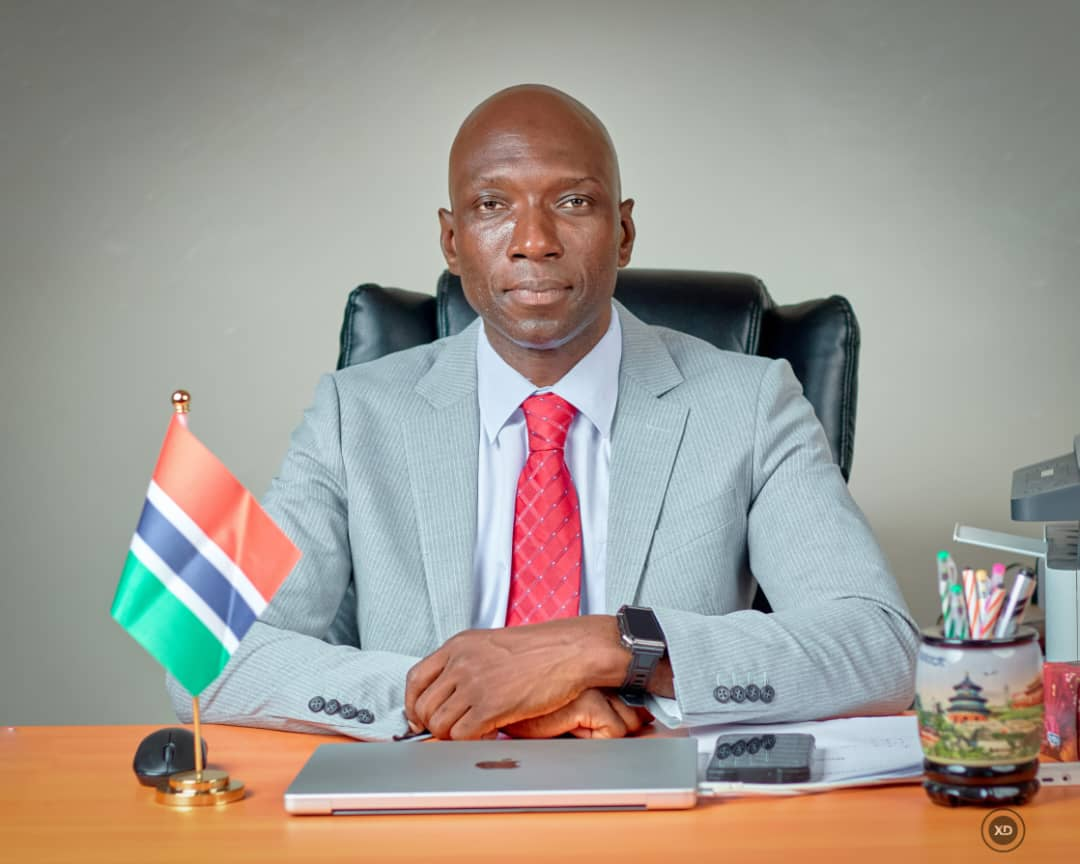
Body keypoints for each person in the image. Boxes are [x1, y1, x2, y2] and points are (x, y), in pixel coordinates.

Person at [168, 84, 918, 741]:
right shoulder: (352, 413)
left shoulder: (750, 403)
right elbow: (199, 656)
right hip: (425, 803)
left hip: (655, 800)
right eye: (493, 206)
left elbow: (881, 648)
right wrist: (463, 700)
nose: (534, 241)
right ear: (453, 240)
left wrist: (605, 648)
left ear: (623, 232)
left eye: (573, 202)